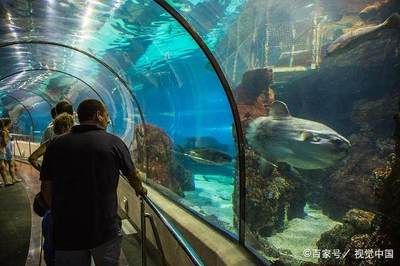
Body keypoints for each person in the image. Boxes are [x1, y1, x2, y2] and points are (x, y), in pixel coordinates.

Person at [40, 99, 147, 266]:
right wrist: (140, 189)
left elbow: (46, 190)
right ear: (98, 115)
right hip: (104, 229)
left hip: (67, 230)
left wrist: (60, 213)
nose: (108, 119)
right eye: (106, 115)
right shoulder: (114, 142)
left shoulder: (55, 145)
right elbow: (132, 175)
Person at [29, 113, 75, 266]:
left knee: (50, 236)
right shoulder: (75, 144)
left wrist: (43, 171)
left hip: (50, 198)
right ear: (68, 126)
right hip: (68, 198)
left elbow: (32, 158)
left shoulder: (50, 143)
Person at [1, 118, 21, 184]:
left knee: (9, 165)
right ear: (8, 123)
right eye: (10, 123)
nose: (11, 125)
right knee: (5, 166)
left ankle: (12, 179)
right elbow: (5, 142)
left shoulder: (5, 131)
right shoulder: (4, 132)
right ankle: (7, 180)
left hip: (7, 149)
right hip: (6, 150)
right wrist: (7, 136)